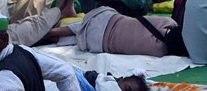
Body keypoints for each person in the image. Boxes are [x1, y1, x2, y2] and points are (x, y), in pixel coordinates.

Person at [48, 5, 179, 57]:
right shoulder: (160, 51)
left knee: (79, 27)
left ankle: (45, 32)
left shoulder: (168, 22)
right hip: (98, 43)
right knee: (74, 38)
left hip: (107, 19)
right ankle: (46, 35)